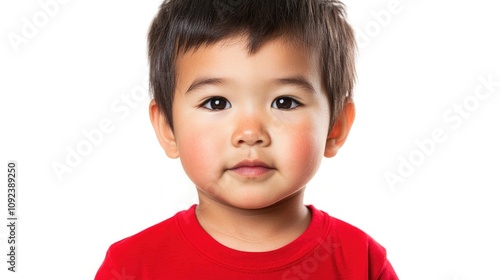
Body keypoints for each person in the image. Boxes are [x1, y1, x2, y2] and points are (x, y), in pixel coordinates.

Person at [95, 0, 399, 279]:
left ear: (336, 126)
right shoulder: (131, 267)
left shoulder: (362, 262)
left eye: (284, 102)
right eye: (216, 103)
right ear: (167, 128)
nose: (250, 133)